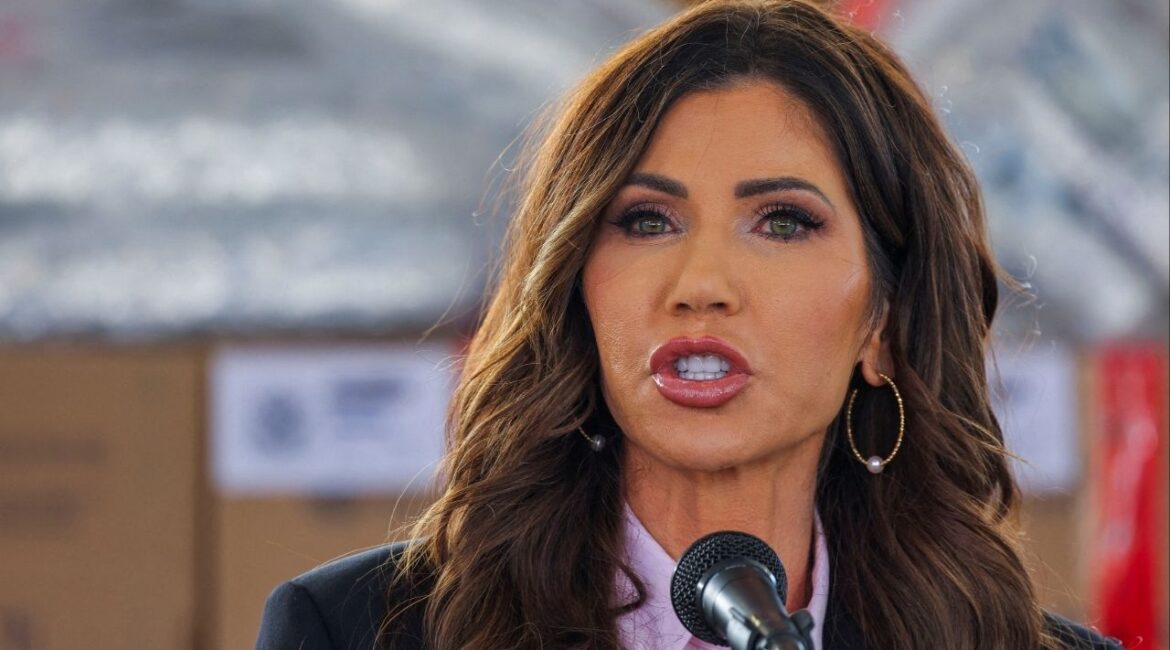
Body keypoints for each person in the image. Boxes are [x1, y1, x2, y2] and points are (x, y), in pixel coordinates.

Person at [255, 1, 1122, 648]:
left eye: (782, 222)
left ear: (883, 322)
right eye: (646, 221)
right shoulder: (354, 630)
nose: (701, 285)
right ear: (577, 289)